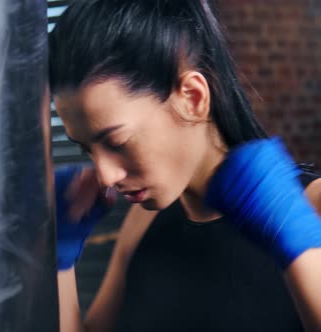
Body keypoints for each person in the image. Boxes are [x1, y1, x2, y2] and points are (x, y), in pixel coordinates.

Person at [49, 0, 321, 331]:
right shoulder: (143, 222)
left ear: (192, 97)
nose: (105, 175)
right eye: (87, 149)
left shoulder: (314, 205)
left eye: (117, 142)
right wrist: (58, 262)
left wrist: (300, 246)